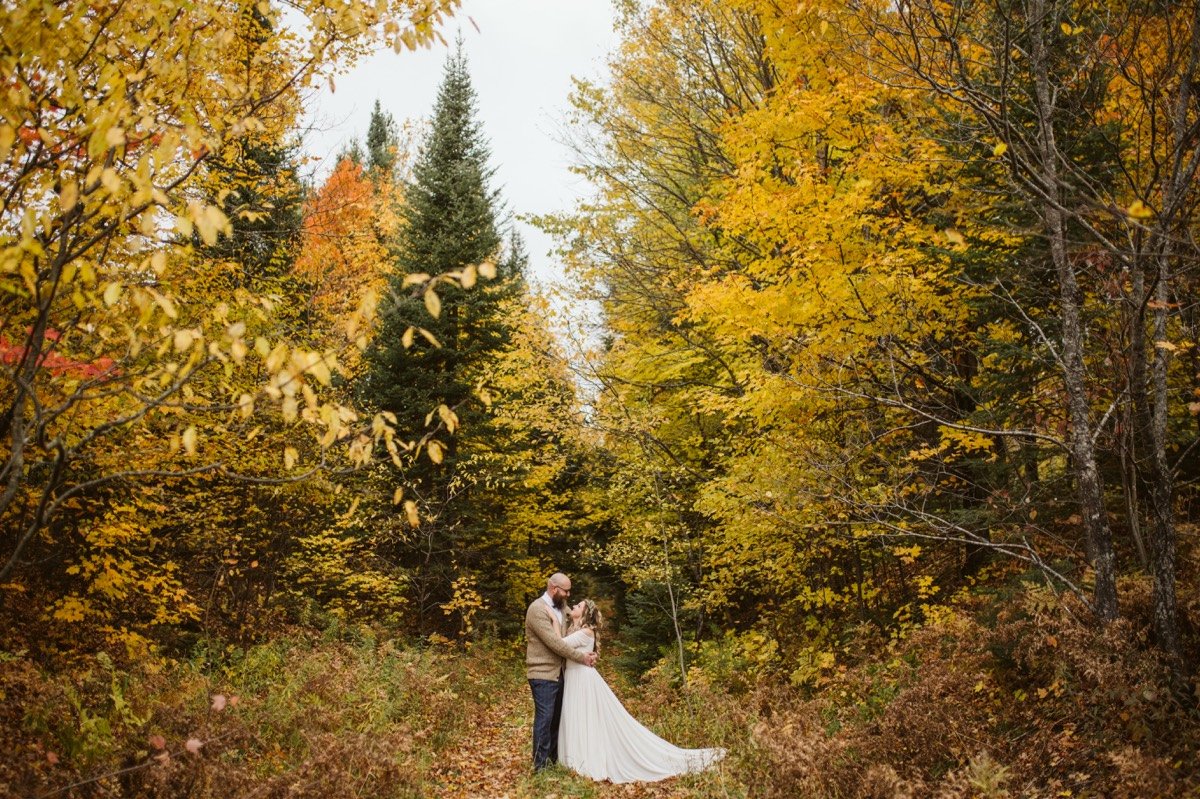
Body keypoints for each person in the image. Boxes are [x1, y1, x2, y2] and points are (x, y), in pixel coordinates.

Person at [550, 598, 725, 784]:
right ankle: (575, 759)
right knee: (577, 717)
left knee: (584, 718)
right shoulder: (576, 629)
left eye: (578, 606)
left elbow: (559, 644)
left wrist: (553, 620)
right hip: (575, 678)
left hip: (582, 680)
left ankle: (584, 761)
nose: (574, 606)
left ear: (585, 613)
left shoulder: (586, 632)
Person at [525, 572, 597, 771]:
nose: (568, 594)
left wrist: (589, 650)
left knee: (557, 719)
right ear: (554, 589)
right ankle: (539, 766)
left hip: (562, 673)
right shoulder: (537, 609)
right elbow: (555, 644)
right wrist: (582, 657)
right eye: (565, 591)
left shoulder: (563, 609)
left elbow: (575, 633)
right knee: (545, 718)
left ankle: (553, 761)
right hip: (542, 673)